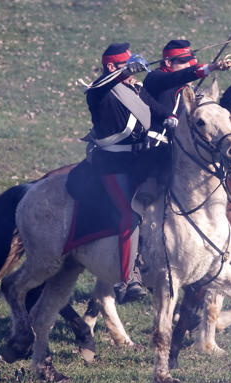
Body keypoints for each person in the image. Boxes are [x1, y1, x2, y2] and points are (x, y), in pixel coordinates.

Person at [83, 42, 170, 303]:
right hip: (111, 165)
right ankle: (127, 277)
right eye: (126, 65)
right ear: (111, 66)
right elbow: (100, 86)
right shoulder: (98, 92)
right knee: (129, 215)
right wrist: (122, 73)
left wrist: (171, 118)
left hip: (139, 163)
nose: (132, 71)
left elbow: (157, 109)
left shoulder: (135, 88)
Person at [143, 39, 231, 147]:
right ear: (168, 62)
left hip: (179, 147)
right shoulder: (155, 77)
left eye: (189, 62)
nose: (188, 66)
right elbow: (178, 77)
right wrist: (212, 67)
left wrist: (223, 119)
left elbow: (206, 108)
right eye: (182, 62)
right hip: (153, 146)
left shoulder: (190, 89)